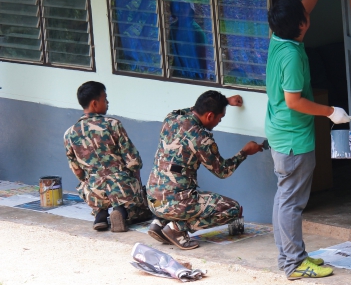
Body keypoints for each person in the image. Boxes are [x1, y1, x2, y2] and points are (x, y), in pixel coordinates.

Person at [266, 0, 351, 280]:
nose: (307, 14)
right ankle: (293, 263)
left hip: (281, 133)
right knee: (291, 202)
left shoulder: (279, 38)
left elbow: (302, 9)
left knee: (284, 198)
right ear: (301, 25)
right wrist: (331, 112)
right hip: (293, 139)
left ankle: (291, 256)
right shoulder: (290, 57)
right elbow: (294, 101)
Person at [146, 90, 263, 250]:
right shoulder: (201, 138)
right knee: (232, 209)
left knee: (182, 198)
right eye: (220, 117)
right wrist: (244, 152)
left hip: (153, 199)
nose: (219, 122)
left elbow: (195, 108)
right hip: (175, 202)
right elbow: (223, 171)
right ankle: (177, 229)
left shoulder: (171, 118)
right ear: (209, 115)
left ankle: (159, 223)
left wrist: (224, 102)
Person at [64, 81, 151, 232]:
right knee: (137, 207)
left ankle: (101, 215)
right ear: (94, 103)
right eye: (105, 99)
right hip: (122, 186)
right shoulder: (113, 124)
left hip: (93, 190)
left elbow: (77, 170)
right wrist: (135, 181)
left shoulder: (69, 133)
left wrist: (89, 181)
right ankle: (121, 212)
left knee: (92, 186)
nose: (107, 102)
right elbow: (133, 161)